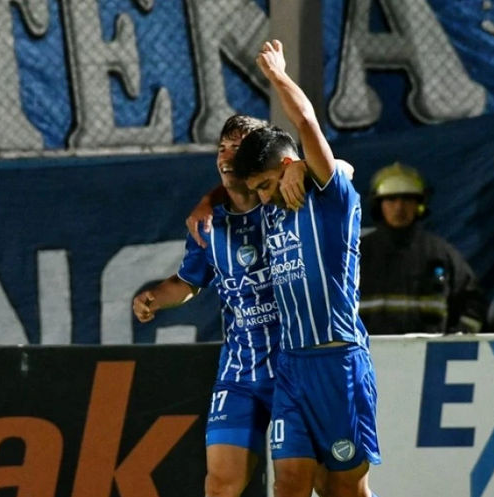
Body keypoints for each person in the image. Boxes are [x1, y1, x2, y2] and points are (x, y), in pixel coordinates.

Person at [134, 114, 313, 497]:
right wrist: (155, 298)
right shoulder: (207, 223)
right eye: (223, 148)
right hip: (240, 375)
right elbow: (188, 282)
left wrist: (299, 166)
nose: (228, 156)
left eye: (240, 147)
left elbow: (339, 173)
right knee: (219, 487)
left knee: (297, 486)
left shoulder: (289, 200)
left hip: (295, 368)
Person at [232, 41, 380, 497]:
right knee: (289, 483)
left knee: (343, 491)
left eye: (264, 184)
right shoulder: (274, 207)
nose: (259, 196)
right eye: (253, 189)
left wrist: (277, 76)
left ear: (289, 165)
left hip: (339, 362)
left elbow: (307, 124)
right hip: (292, 365)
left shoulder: (330, 198)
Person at [359, 162, 486, 335]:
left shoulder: (441, 254)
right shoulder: (357, 254)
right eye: (391, 199)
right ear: (378, 204)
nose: (399, 207)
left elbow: (473, 303)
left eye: (407, 199)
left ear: (420, 204)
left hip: (428, 358)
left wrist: (459, 340)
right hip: (366, 356)